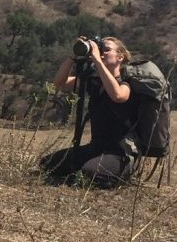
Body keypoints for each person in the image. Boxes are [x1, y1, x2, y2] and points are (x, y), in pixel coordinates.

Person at [38, 36, 138, 188]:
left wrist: (97, 60)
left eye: (107, 49)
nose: (102, 53)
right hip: (95, 147)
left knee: (87, 174)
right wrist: (74, 56)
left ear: (120, 57)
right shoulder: (95, 83)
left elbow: (118, 96)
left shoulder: (128, 83)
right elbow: (58, 83)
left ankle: (113, 173)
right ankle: (92, 165)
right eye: (100, 49)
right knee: (47, 164)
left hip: (119, 153)